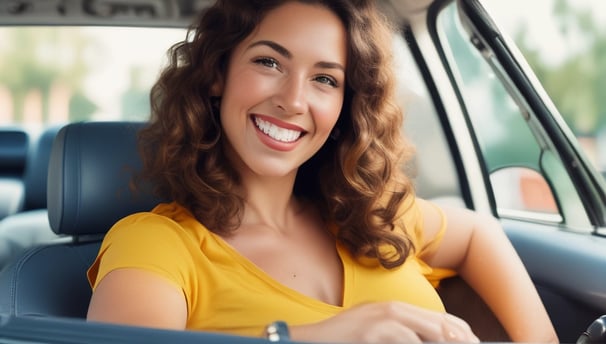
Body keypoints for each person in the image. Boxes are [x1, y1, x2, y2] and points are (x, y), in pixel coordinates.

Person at [85, 0, 558, 342]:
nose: (293, 101)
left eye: (325, 79)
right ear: (217, 74)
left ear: (344, 106)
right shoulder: (155, 244)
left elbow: (479, 234)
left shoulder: (371, 218)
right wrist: (320, 336)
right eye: (269, 62)